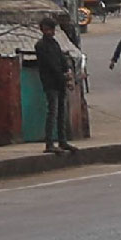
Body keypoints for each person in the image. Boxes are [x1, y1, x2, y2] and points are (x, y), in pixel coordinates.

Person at [32, 16, 78, 153]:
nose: (49, 32)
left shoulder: (55, 44)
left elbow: (62, 60)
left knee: (61, 113)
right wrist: (64, 77)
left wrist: (68, 72)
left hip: (60, 83)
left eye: (51, 29)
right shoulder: (40, 46)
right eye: (46, 29)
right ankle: (49, 143)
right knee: (52, 112)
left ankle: (62, 141)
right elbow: (51, 65)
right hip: (50, 83)